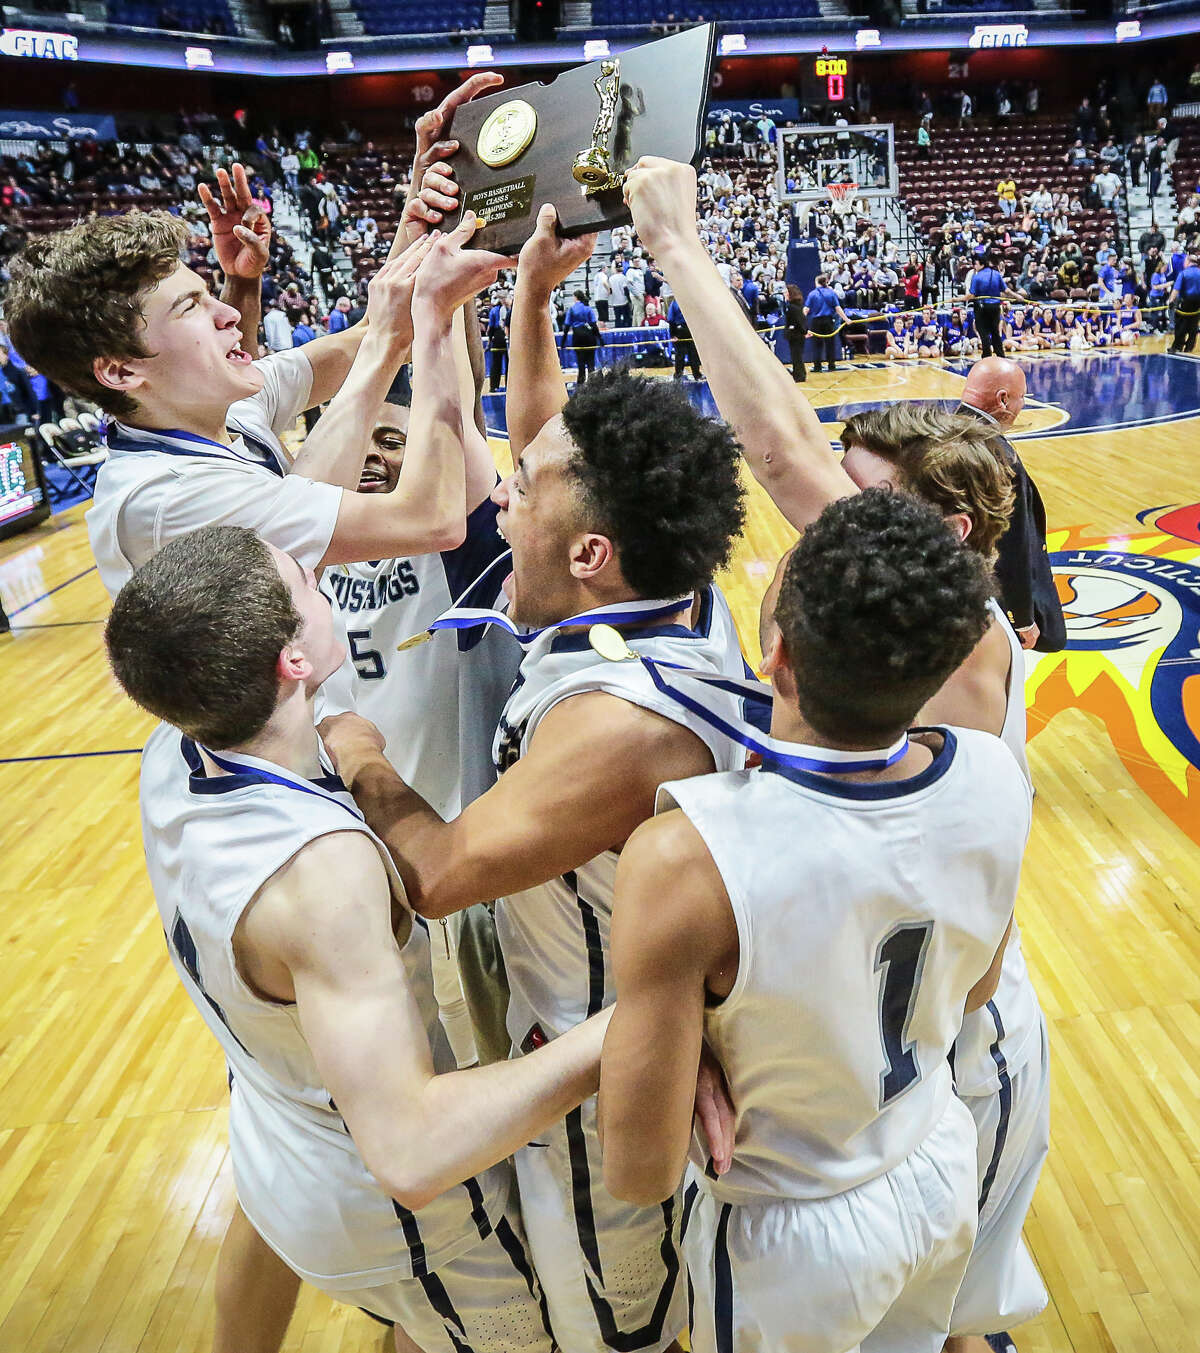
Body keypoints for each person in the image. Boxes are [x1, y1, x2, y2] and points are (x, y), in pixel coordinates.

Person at [618, 158, 1050, 1353]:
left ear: (945, 532)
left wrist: (682, 252)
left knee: (958, 1319)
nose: (829, 516)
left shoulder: (960, 637)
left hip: (959, 1057)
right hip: (901, 1025)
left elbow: (776, 448)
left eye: (861, 500)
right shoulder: (926, 663)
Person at [104, 523, 614, 1351]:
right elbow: (411, 1151)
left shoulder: (174, 745)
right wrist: (628, 1029)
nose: (322, 579)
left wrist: (348, 740)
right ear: (290, 663)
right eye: (305, 583)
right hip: (399, 1215)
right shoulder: (320, 874)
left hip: (280, 1140)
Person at [599, 489, 1031, 1353]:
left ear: (779, 653)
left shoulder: (683, 859)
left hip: (787, 1229)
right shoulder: (994, 772)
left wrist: (688, 1044)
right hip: (935, 1158)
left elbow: (640, 1169)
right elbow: (978, 982)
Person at [957, 357, 1065, 653]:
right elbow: (1013, 546)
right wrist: (1023, 618)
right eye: (1021, 398)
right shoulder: (1001, 457)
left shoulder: (945, 431)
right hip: (993, 598)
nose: (1022, 407)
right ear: (1003, 399)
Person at [969, 254, 1020, 358]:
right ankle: (1000, 355)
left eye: (975, 264)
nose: (974, 266)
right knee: (995, 332)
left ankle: (986, 355)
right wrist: (1017, 296)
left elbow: (972, 295)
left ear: (982, 264)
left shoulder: (977, 276)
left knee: (984, 333)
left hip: (981, 308)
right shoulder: (996, 274)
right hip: (995, 307)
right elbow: (1006, 290)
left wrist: (957, 299)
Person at [803, 273, 847, 373]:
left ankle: (817, 366)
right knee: (830, 344)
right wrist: (847, 319)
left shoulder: (812, 294)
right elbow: (838, 308)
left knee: (817, 345)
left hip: (816, 322)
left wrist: (801, 321)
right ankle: (832, 365)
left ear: (817, 282)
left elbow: (806, 310)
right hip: (828, 321)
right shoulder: (831, 293)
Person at [564, 286, 601, 384]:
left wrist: (563, 342)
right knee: (590, 363)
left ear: (575, 297)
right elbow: (594, 325)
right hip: (589, 337)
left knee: (581, 364)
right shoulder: (588, 309)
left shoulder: (571, 310)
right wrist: (600, 339)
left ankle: (580, 385)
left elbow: (567, 326)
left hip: (578, 337)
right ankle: (593, 384)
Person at [1168, 253, 1200, 353]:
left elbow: (1176, 289)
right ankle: (1189, 347)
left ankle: (1177, 346)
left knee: (1181, 325)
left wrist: (1171, 301)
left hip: (1185, 302)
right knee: (1193, 326)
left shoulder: (1184, 273)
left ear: (1188, 262)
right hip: (1197, 303)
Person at [668, 295, 701, 380]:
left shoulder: (691, 302)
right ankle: (678, 375)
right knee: (680, 355)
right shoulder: (675, 303)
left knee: (693, 354)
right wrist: (673, 335)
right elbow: (671, 319)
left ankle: (696, 374)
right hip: (679, 330)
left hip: (690, 330)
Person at [784, 282, 807, 382]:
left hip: (796, 335)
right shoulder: (797, 305)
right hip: (798, 334)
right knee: (797, 355)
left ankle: (800, 375)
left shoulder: (792, 307)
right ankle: (798, 372)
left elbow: (798, 321)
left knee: (796, 355)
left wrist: (801, 331)